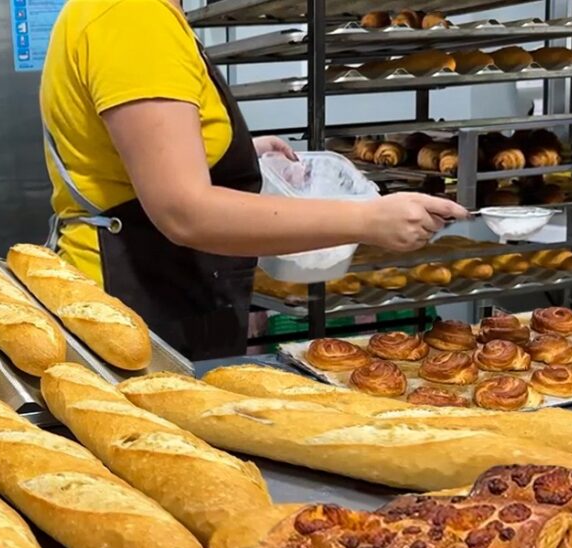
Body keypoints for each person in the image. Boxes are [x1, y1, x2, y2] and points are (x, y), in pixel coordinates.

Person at [40, 0, 468, 359]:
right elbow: (185, 212)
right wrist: (367, 221)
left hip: (166, 298)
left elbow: (138, 150)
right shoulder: (131, 17)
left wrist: (237, 152)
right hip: (139, 314)